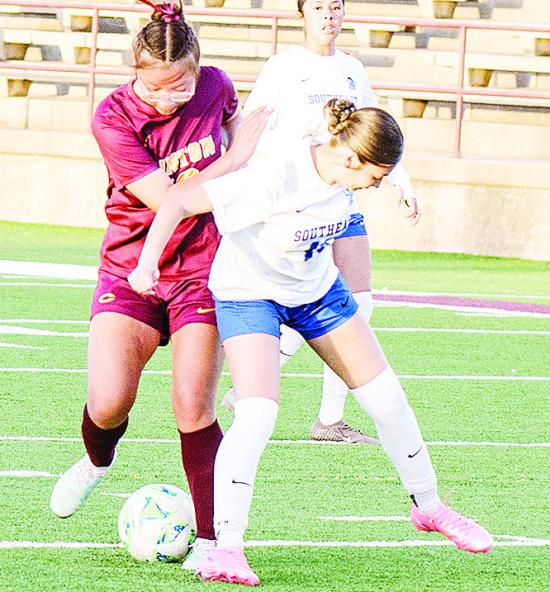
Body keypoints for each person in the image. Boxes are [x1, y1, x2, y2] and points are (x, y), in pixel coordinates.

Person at [128, 99, 493, 586]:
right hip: (250, 294)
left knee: (388, 400)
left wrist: (401, 184)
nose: (377, 186)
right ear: (350, 159)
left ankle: (429, 508)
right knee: (257, 414)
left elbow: (362, 163)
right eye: (376, 177)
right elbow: (177, 201)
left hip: (317, 290)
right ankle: (228, 549)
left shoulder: (342, 161)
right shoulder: (273, 177)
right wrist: (147, 263)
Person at [48, 0, 269, 570]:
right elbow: (167, 200)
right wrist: (239, 156)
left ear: (200, 68)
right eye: (155, 88)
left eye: (180, 87)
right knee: (108, 400)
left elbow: (235, 141)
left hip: (206, 268)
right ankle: (96, 464)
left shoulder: (217, 87)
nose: (168, 98)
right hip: (131, 266)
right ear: (133, 72)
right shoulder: (112, 116)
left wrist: (245, 150)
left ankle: (215, 542)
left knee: (192, 405)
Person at [220, 0, 420, 445]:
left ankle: (330, 420)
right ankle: (251, 385)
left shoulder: (352, 69)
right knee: (297, 298)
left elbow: (376, 132)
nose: (328, 15)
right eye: (318, 7)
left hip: (341, 201)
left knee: (359, 303)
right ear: (301, 14)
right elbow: (252, 128)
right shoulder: (283, 66)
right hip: (293, 204)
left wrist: (400, 181)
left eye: (335, 6)